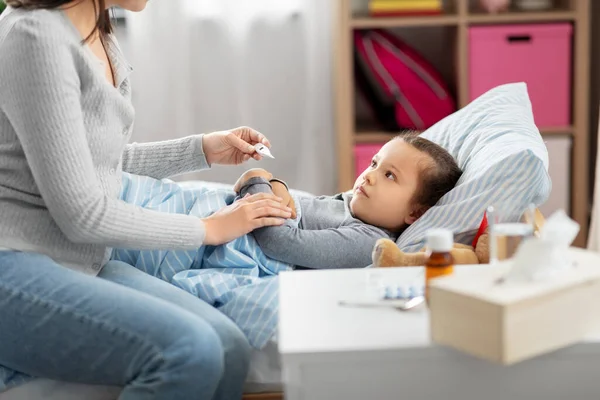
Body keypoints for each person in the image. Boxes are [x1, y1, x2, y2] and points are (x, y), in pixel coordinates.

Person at [0, 1, 293, 400]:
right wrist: (209, 229)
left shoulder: (97, 33)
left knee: (229, 347)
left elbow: (97, 162)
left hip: (79, 261)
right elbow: (82, 214)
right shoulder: (35, 37)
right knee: (190, 351)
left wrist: (203, 149)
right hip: (14, 262)